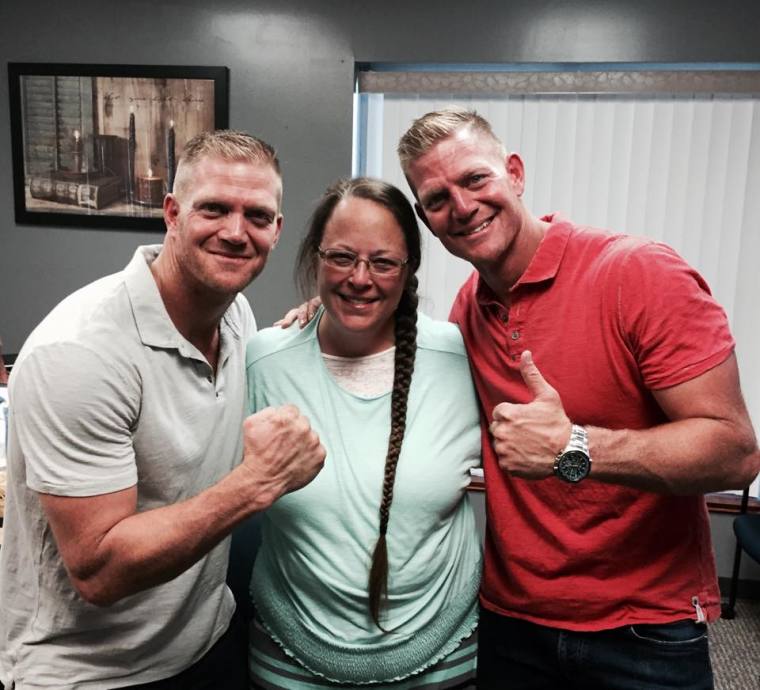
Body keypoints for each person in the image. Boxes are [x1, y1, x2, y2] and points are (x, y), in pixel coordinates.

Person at [394, 107, 760, 689]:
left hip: (644, 628)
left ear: (514, 173)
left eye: (475, 179)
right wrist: (321, 319)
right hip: (511, 619)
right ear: (426, 219)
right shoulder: (470, 307)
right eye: (437, 199)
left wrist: (576, 447)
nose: (461, 207)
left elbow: (735, 452)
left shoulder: (639, 273)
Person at [0, 130, 325, 690]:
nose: (234, 231)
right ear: (172, 214)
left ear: (277, 229)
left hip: (206, 641)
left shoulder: (236, 316)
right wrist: (258, 482)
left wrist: (324, 321)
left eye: (256, 215)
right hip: (91, 673)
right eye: (214, 209)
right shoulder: (82, 352)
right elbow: (99, 569)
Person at [246, 178, 482, 688]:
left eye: (382, 262)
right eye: (341, 257)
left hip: (441, 653)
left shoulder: (460, 357)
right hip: (292, 653)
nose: (360, 278)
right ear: (314, 258)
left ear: (409, 270)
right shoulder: (263, 359)